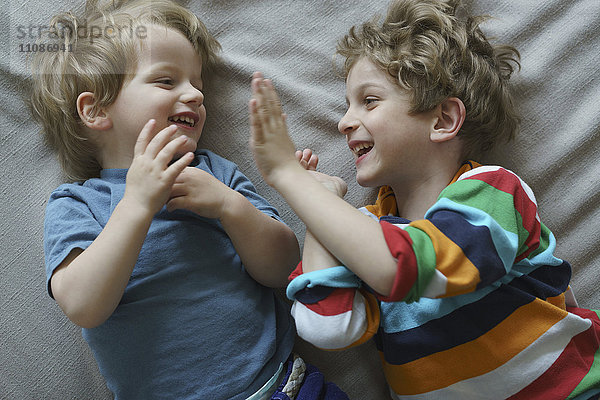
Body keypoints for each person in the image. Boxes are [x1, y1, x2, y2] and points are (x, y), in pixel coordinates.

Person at [248, 0, 600, 398]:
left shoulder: (492, 191)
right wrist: (318, 206)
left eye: (369, 101)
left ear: (442, 120)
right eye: (348, 104)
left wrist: (290, 179)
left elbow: (406, 266)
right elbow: (326, 328)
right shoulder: (362, 227)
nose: (344, 121)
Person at [26, 0, 340, 398]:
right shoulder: (77, 203)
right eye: (166, 81)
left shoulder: (215, 173)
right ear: (96, 109)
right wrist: (137, 205)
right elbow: (83, 306)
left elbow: (283, 268)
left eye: (198, 86)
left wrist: (230, 206)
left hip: (282, 386)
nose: (193, 94)